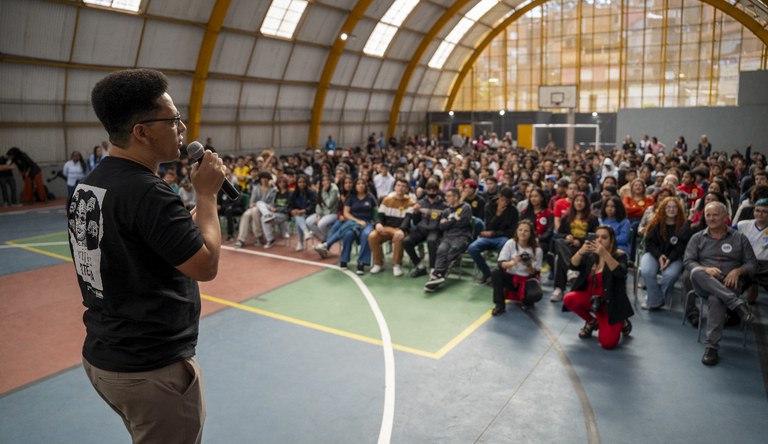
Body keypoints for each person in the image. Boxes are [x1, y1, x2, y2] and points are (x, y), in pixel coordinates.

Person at [68, 68, 224, 443]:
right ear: (142, 131)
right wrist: (206, 196)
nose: (182, 128)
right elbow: (205, 265)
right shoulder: (148, 192)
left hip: (105, 354)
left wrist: (184, 223)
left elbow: (132, 243)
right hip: (151, 368)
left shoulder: (91, 184)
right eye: (172, 120)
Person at [684, 201, 756, 366]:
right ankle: (737, 305)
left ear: (726, 217)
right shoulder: (697, 237)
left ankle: (711, 347)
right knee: (695, 271)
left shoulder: (739, 238)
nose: (711, 218)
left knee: (717, 299)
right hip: (703, 283)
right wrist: (705, 268)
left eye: (715, 215)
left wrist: (738, 271)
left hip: (729, 283)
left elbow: (752, 265)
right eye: (708, 215)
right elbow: (688, 261)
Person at [562, 225, 634, 350]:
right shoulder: (591, 256)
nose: (599, 240)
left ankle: (622, 321)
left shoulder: (619, 255)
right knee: (569, 299)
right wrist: (580, 252)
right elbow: (572, 265)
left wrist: (605, 254)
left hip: (610, 304)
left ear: (611, 240)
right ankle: (592, 321)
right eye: (597, 237)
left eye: (604, 237)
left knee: (607, 343)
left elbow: (620, 272)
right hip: (592, 299)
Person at [639, 196, 691, 310]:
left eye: (674, 207)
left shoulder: (683, 226)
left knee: (670, 275)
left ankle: (654, 300)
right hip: (653, 254)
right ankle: (656, 300)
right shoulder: (655, 223)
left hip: (674, 257)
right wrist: (659, 255)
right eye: (668, 207)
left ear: (678, 210)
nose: (671, 209)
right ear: (663, 208)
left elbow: (681, 247)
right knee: (647, 271)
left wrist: (669, 259)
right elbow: (649, 243)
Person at [550, 193, 599, 302]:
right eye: (577, 201)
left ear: (586, 203)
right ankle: (569, 273)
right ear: (573, 203)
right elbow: (559, 234)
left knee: (561, 259)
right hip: (568, 245)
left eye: (582, 201)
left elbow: (594, 236)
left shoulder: (593, 218)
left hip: (584, 247)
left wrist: (580, 242)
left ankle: (559, 288)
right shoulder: (566, 217)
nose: (579, 203)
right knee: (559, 242)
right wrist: (566, 236)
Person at [424, 188, 473, 292]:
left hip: (462, 237)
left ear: (456, 197)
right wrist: (454, 220)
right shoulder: (446, 210)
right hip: (448, 237)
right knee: (441, 250)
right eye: (446, 196)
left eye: (449, 196)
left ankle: (437, 275)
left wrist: (448, 221)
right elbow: (441, 227)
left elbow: (462, 224)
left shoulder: (466, 208)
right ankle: (438, 276)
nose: (446, 198)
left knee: (453, 251)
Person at [491, 220, 544, 315]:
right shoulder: (510, 243)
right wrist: (513, 262)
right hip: (511, 278)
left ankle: (527, 301)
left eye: (526, 231)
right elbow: (501, 263)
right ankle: (499, 305)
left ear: (531, 233)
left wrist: (528, 264)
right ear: (516, 231)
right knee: (496, 271)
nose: (522, 233)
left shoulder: (537, 250)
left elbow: (534, 273)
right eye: (520, 230)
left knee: (536, 295)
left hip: (527, 280)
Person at [468, 187, 519, 284]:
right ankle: (488, 274)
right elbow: (488, 227)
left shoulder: (513, 211)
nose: (506, 203)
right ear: (499, 197)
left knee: (504, 245)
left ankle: (499, 274)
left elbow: (511, 232)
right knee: (472, 248)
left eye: (508, 201)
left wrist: (494, 233)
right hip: (489, 237)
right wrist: (498, 214)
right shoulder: (489, 206)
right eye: (504, 200)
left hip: (503, 237)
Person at [368, 178, 416, 276]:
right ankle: (378, 263)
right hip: (386, 227)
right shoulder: (386, 200)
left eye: (403, 186)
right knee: (372, 236)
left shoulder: (410, 202)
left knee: (398, 236)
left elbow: (407, 219)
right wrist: (378, 224)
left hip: (400, 228)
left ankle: (396, 264)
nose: (400, 188)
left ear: (407, 189)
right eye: (398, 185)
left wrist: (402, 229)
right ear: (394, 187)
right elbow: (380, 215)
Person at [402, 179, 447, 278]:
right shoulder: (420, 202)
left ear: (437, 191)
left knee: (432, 241)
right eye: (430, 190)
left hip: (435, 230)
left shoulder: (444, 205)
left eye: (434, 190)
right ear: (426, 191)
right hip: (421, 229)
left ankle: (433, 269)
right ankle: (420, 266)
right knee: (406, 241)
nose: (432, 193)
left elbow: (445, 221)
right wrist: (416, 212)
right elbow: (416, 221)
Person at [736, 198, 768, 303]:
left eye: (764, 211)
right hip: (747, 263)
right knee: (735, 287)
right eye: (757, 210)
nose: (760, 214)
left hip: (766, 266)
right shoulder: (743, 225)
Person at [235, 171, 276, 248]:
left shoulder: (273, 190)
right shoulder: (256, 188)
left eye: (266, 178)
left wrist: (261, 204)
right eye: (263, 178)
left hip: (266, 210)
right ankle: (241, 239)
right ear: (260, 179)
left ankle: (258, 236)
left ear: (269, 179)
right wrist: (255, 204)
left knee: (255, 210)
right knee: (246, 215)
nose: (264, 180)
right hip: (254, 207)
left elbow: (272, 204)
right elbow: (252, 202)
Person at [306, 174, 339, 242]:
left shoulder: (334, 189)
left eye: (327, 180)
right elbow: (318, 203)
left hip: (333, 213)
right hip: (323, 213)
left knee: (321, 224)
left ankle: (328, 239)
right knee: (308, 221)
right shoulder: (321, 188)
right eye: (323, 180)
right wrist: (318, 214)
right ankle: (324, 238)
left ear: (330, 181)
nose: (325, 182)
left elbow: (329, 204)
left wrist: (324, 192)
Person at [288, 174, 316, 251]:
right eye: (300, 182)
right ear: (297, 183)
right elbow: (289, 207)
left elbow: (313, 205)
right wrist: (292, 211)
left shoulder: (311, 192)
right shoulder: (293, 194)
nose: (302, 184)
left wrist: (305, 210)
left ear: (306, 183)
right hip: (298, 215)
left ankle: (300, 243)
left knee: (298, 220)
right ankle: (306, 232)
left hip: (309, 214)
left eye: (303, 182)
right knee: (298, 217)